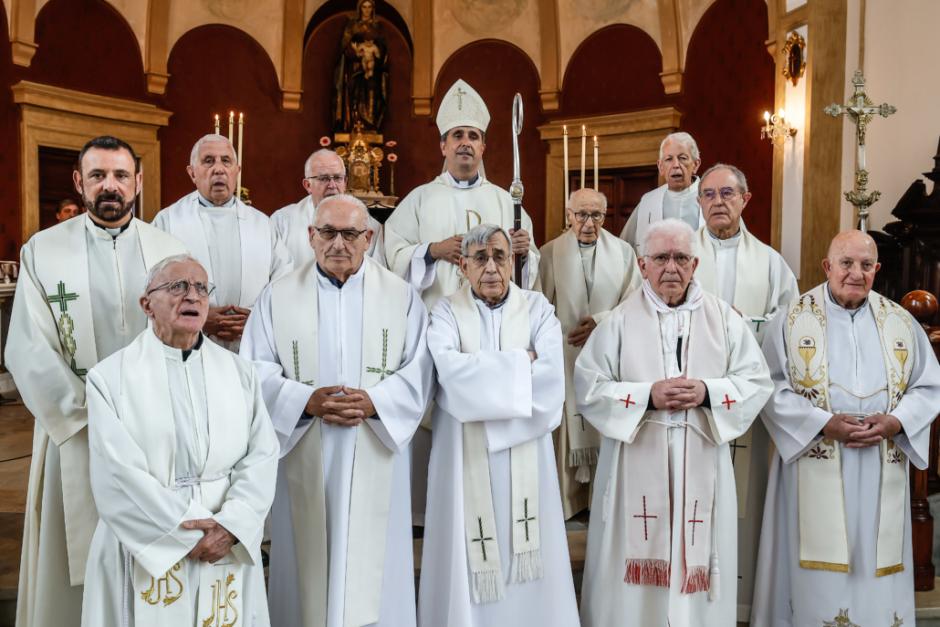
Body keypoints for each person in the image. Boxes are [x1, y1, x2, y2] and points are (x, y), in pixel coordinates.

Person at [6, 136, 187, 627]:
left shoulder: (170, 252)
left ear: (139, 182)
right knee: (73, 564)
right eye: (98, 175)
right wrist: (89, 410)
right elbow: (26, 347)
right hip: (77, 432)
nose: (110, 186)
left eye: (121, 175)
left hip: (153, 429)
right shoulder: (43, 250)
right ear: (79, 182)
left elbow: (188, 337)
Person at [241, 194, 433, 627]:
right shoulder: (278, 295)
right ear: (310, 236)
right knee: (308, 561)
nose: (339, 243)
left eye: (350, 233)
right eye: (327, 232)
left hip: (376, 443)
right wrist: (303, 401)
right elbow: (253, 370)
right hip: (307, 440)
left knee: (376, 563)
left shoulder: (401, 296)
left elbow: (420, 368)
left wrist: (376, 401)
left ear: (369, 237)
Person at [575, 218, 773, 626]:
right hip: (634, 467)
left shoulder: (724, 319)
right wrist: (647, 396)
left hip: (702, 464)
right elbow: (589, 387)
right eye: (661, 257)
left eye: (681, 257)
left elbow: (756, 381)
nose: (671, 267)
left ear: (695, 264)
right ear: (643, 264)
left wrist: (707, 392)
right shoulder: (618, 322)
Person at [751, 230, 940, 627]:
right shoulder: (790, 319)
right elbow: (769, 387)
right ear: (827, 266)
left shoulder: (901, 322)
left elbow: (929, 386)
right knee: (814, 579)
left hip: (878, 464)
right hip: (813, 461)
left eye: (866, 265)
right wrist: (823, 424)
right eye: (846, 263)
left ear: (877, 269)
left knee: (873, 563)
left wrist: (895, 421)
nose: (856, 273)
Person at [81, 255, 278, 626]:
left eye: (201, 287)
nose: (192, 296)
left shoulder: (239, 372)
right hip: (146, 538)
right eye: (177, 287)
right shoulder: (109, 378)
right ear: (146, 304)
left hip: (225, 536)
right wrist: (187, 534)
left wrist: (234, 525)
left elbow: (263, 455)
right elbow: (117, 474)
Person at [419, 223, 580, 627]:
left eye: (500, 256)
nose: (491, 267)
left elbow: (551, 381)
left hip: (526, 452)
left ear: (513, 262)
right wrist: (519, 365)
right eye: (480, 258)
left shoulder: (538, 308)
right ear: (462, 265)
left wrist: (484, 378)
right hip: (463, 454)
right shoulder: (444, 311)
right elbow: (449, 375)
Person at [691, 163, 798, 619]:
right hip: (693, 405)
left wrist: (743, 323)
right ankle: (691, 603)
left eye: (727, 193)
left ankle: (742, 604)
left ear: (746, 199)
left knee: (745, 506)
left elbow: (791, 326)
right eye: (709, 194)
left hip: (748, 404)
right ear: (699, 203)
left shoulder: (771, 263)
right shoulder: (677, 252)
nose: (718, 201)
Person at [384, 78, 540, 311]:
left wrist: (523, 253)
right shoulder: (419, 199)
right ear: (443, 146)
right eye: (457, 135)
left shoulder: (507, 201)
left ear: (482, 148)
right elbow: (393, 258)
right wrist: (433, 250)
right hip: (436, 317)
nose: (465, 142)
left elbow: (527, 276)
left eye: (473, 136)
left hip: (493, 321)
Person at [538, 187, 641, 519]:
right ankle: (567, 504)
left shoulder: (624, 253)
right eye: (581, 214)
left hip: (608, 356)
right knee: (566, 425)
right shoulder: (550, 253)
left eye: (596, 215)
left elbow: (635, 301)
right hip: (565, 354)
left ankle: (603, 502)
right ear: (568, 215)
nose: (588, 222)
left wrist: (600, 322)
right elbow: (537, 305)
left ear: (604, 216)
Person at [153, 134, 292, 350]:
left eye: (226, 161)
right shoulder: (168, 221)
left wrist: (257, 320)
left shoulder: (262, 224)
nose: (218, 169)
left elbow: (285, 281)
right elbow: (152, 285)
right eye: (208, 161)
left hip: (249, 343)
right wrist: (198, 317)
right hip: (187, 341)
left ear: (237, 170)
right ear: (192, 172)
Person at [271, 148, 386, 267]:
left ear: (345, 182)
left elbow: (376, 274)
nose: (332, 185)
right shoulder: (282, 222)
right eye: (323, 179)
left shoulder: (368, 225)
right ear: (308, 185)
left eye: (337, 178)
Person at [620, 132, 703, 252]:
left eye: (682, 158)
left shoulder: (713, 198)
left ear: (695, 164)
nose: (675, 165)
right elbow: (623, 249)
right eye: (669, 159)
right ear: (660, 167)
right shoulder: (648, 202)